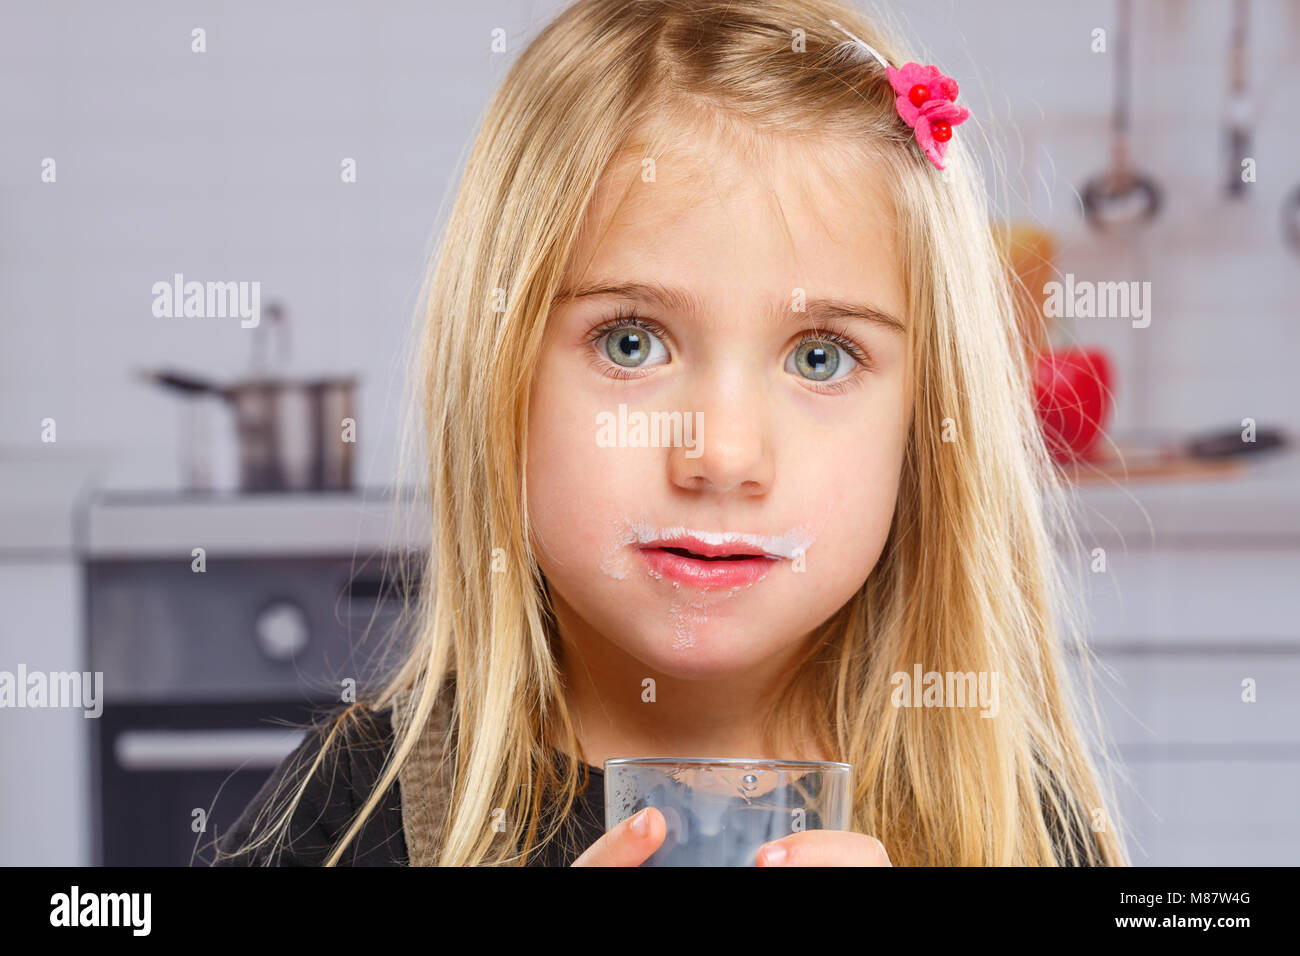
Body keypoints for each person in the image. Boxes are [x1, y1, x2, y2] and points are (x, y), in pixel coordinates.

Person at [211, 0, 1129, 867]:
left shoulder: (1019, 822)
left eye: (820, 357)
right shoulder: (349, 817)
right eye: (631, 342)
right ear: (500, 376)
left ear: (926, 428)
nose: (722, 454)